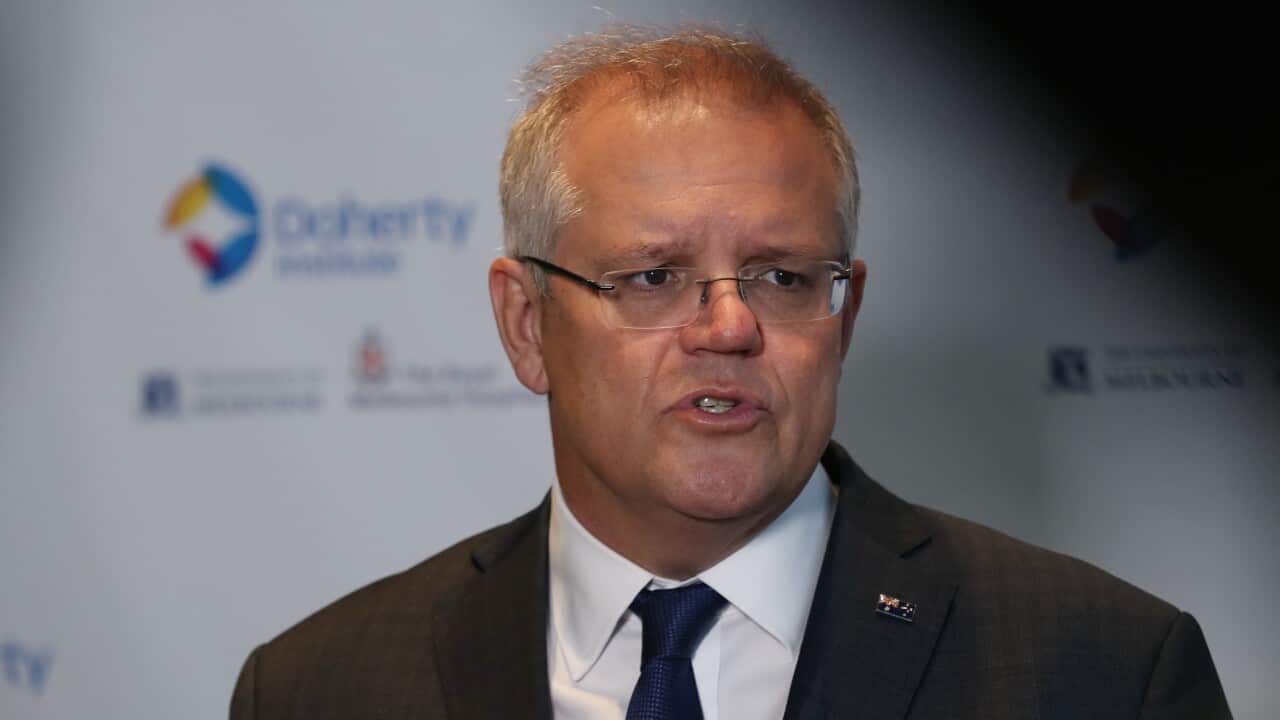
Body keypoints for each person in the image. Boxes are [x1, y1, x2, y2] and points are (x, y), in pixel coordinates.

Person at [230, 26, 1231, 719]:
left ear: (842, 319)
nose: (728, 324)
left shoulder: (1104, 674)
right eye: (653, 275)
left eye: (784, 275)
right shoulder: (320, 689)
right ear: (525, 322)